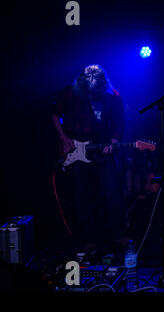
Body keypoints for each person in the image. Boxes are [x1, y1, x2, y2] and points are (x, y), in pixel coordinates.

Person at [52, 64, 126, 254]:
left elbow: (119, 124)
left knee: (112, 193)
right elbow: (54, 114)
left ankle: (118, 236)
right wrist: (64, 140)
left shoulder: (113, 98)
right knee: (81, 197)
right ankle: (89, 240)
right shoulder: (70, 93)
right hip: (76, 150)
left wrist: (113, 141)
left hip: (101, 150)